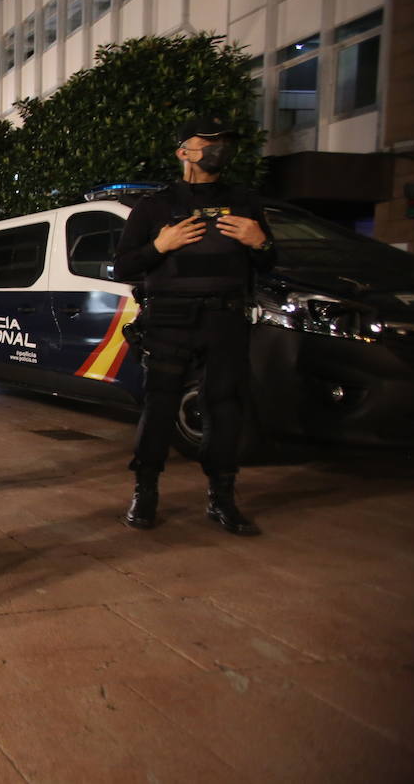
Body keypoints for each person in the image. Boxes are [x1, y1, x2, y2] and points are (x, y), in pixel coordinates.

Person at [113, 115, 276, 536]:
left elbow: (268, 262)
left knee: (225, 407)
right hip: (169, 320)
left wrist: (261, 242)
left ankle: (222, 496)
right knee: (160, 406)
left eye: (225, 141)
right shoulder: (155, 206)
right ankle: (145, 492)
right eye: (211, 140)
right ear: (183, 150)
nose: (220, 147)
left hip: (225, 320)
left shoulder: (245, 202)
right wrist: (158, 246)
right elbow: (124, 266)